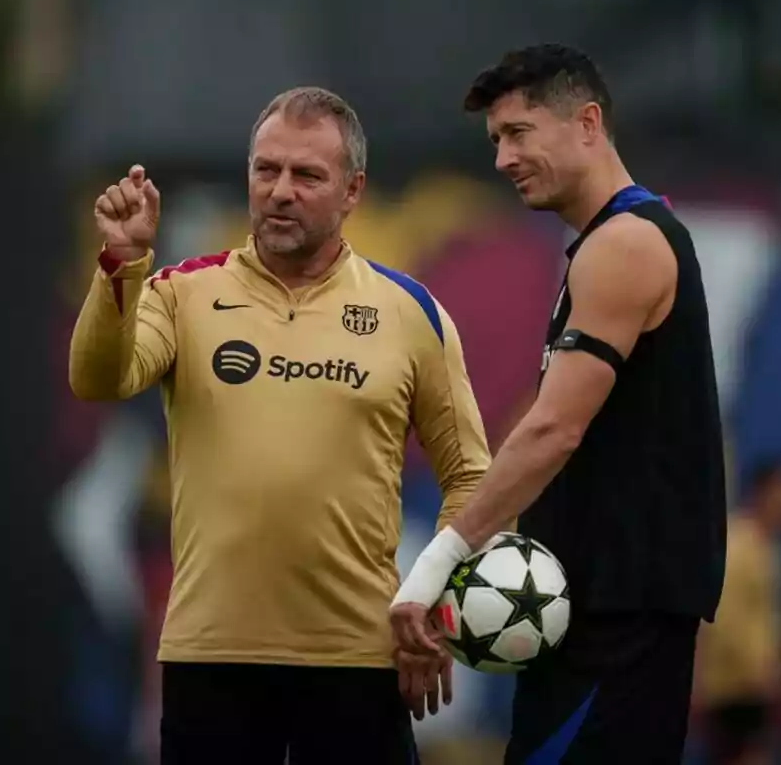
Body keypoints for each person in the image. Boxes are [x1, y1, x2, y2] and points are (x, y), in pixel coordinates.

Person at [68, 86, 491, 765]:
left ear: (352, 191)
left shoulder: (409, 311)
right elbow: (98, 377)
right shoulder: (184, 293)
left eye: (306, 175)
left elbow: (472, 476)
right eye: (266, 171)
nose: (280, 192)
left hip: (360, 662)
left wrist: (433, 601)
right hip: (213, 661)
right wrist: (120, 266)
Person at [390, 43, 729, 763]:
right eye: (494, 142)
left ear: (587, 123)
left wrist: (435, 566)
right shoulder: (604, 246)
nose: (502, 160)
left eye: (518, 133)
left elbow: (553, 430)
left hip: (618, 624)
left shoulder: (627, 244)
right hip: (596, 617)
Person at [695, 458, 781, 765]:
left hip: (752, 687)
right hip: (733, 688)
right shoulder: (739, 544)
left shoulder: (768, 546)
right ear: (764, 491)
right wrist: (760, 668)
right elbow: (724, 615)